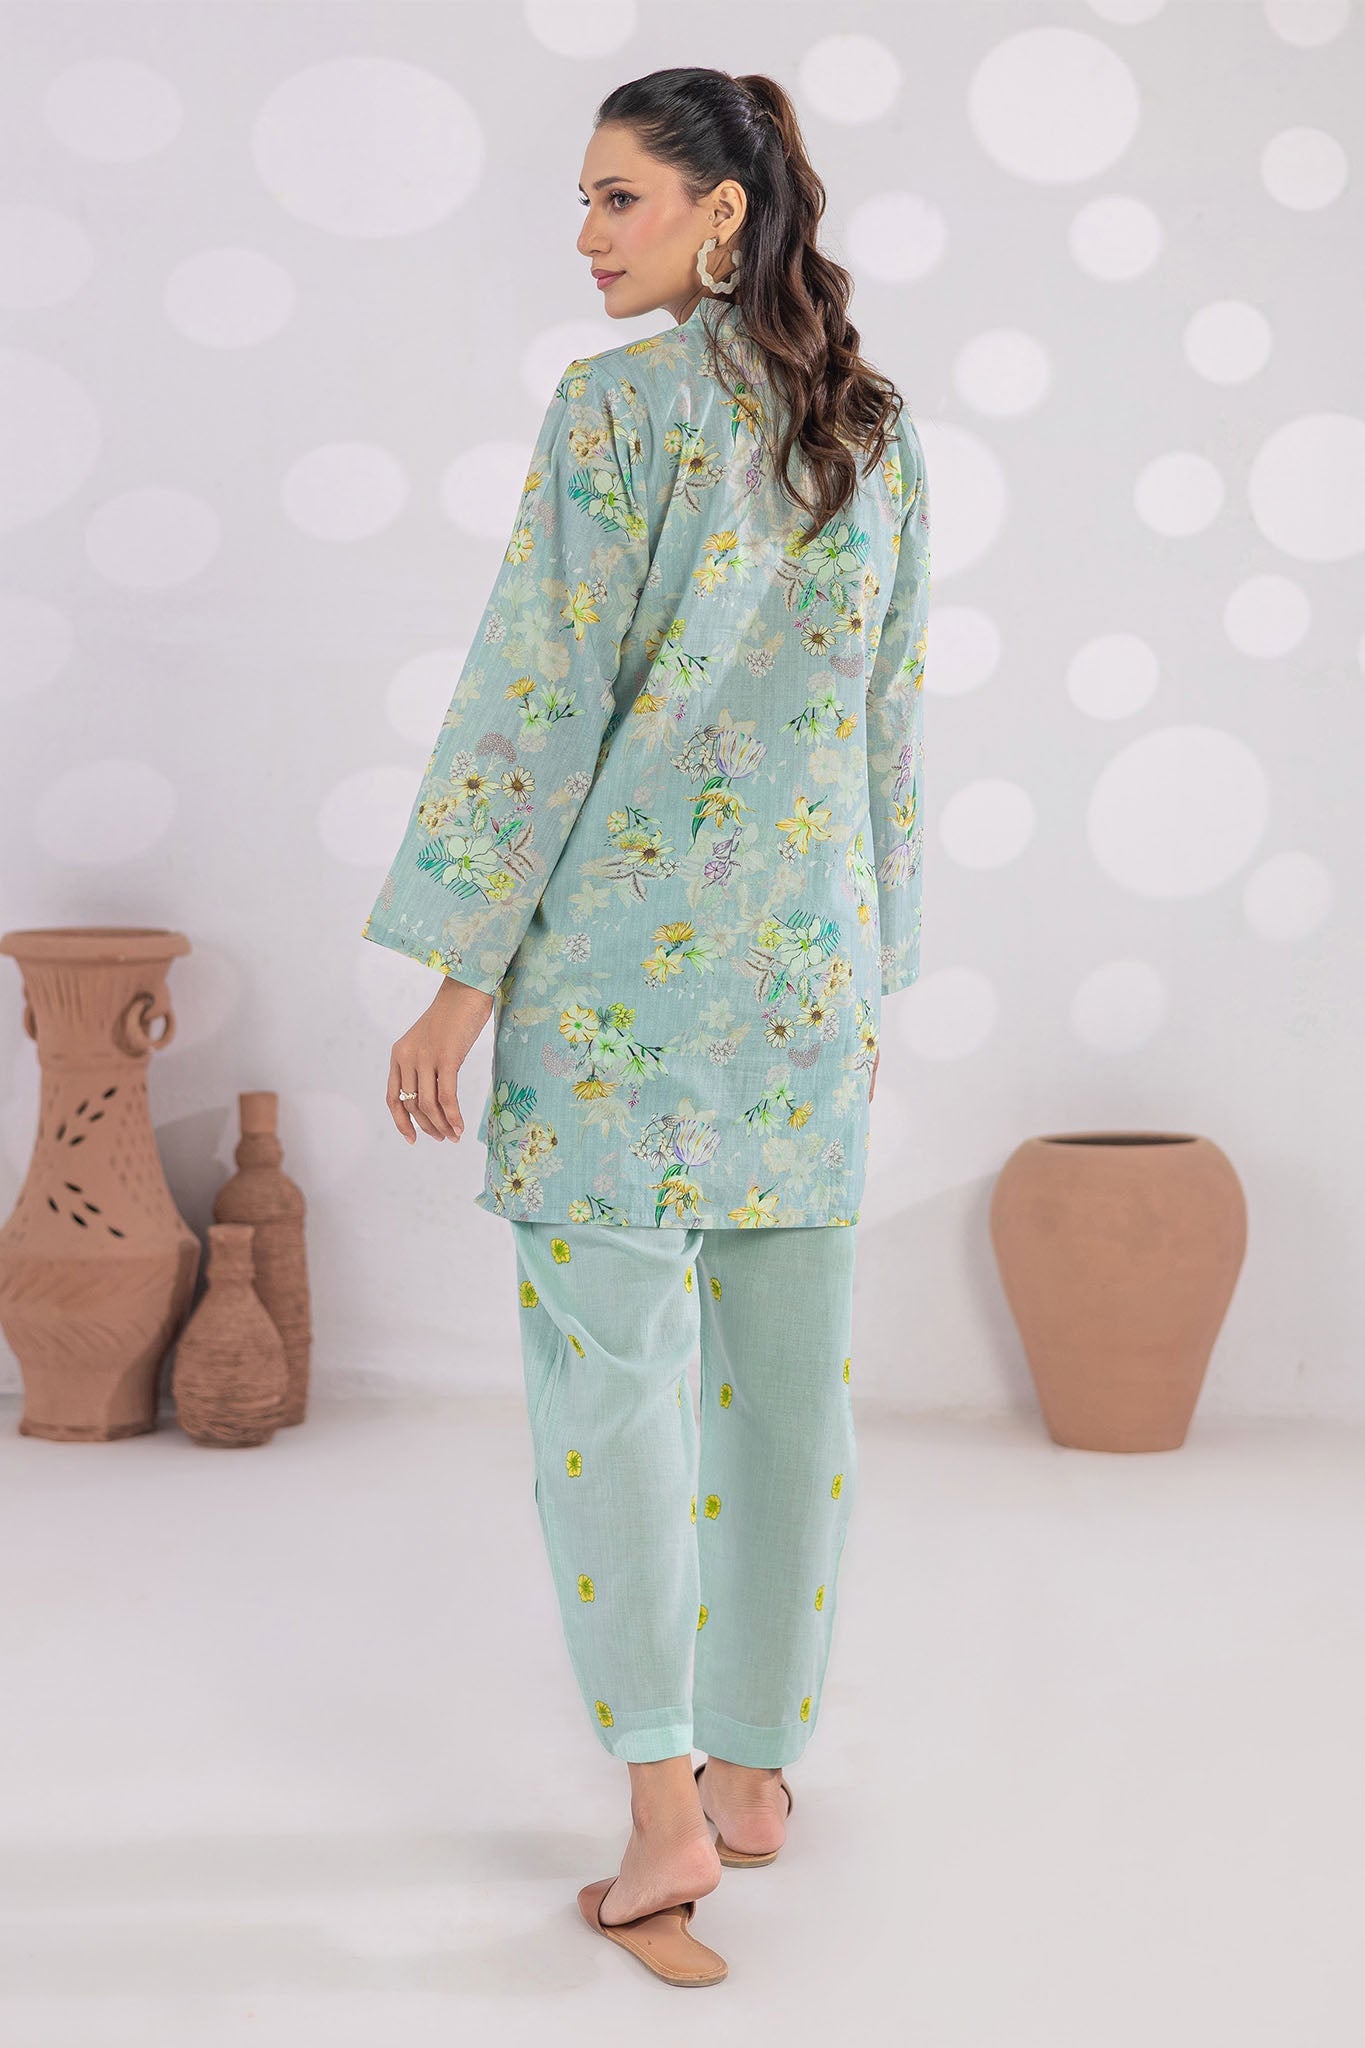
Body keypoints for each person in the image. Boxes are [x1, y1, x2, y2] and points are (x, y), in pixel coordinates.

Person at [361, 66, 929, 1988]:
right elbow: (887, 727)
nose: (587, 235)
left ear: (718, 212)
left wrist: (459, 975)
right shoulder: (872, 427)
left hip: (614, 993)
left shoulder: (616, 411)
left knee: (608, 1395)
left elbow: (538, 695)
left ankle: (664, 1813)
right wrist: (872, 967)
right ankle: (756, 1774)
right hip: (803, 989)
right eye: (584, 200)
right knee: (789, 1394)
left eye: (618, 197)